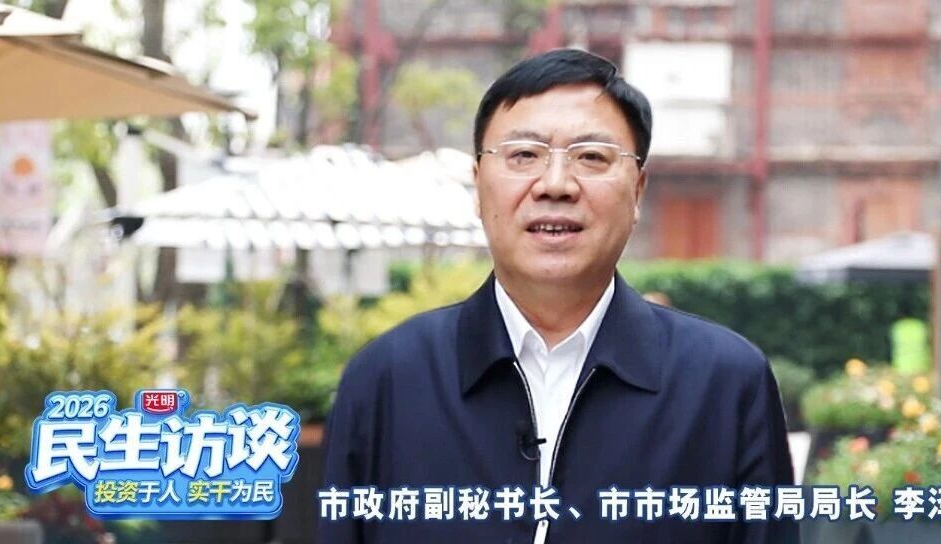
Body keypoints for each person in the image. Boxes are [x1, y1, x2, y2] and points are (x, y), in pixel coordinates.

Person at [318, 48, 797, 543]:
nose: (555, 184)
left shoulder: (725, 384)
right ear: (478, 186)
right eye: (524, 155)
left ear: (637, 191)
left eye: (592, 157)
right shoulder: (387, 379)